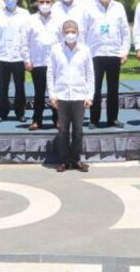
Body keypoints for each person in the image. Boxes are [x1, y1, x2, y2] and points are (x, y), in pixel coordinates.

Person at [84, 0, 131, 128]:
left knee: (113, 89)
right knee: (95, 88)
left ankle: (113, 119)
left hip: (113, 53)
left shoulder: (119, 7)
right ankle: (94, 119)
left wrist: (124, 51)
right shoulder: (89, 7)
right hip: (95, 54)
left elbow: (125, 31)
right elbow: (83, 31)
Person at [48, 20, 93, 172]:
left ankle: (76, 159)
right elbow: (50, 73)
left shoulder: (85, 50)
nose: (70, 34)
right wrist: (52, 95)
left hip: (79, 96)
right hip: (61, 96)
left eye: (73, 31)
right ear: (62, 33)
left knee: (78, 130)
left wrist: (89, 95)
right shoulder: (55, 50)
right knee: (63, 130)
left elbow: (90, 74)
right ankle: (64, 160)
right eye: (67, 31)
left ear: (78, 32)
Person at [0, 0, 30, 122]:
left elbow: (28, 35)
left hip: (19, 56)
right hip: (2, 56)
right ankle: (3, 113)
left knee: (20, 87)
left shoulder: (24, 14)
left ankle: (20, 113)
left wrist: (27, 55)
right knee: (3, 87)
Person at [25, 0, 62, 131]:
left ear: (52, 3)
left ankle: (58, 119)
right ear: (37, 3)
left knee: (56, 92)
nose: (45, 4)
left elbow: (63, 41)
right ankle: (37, 120)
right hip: (38, 62)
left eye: (47, 2)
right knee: (39, 93)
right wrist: (27, 60)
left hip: (55, 63)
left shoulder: (58, 20)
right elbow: (24, 42)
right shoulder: (30, 20)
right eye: (42, 2)